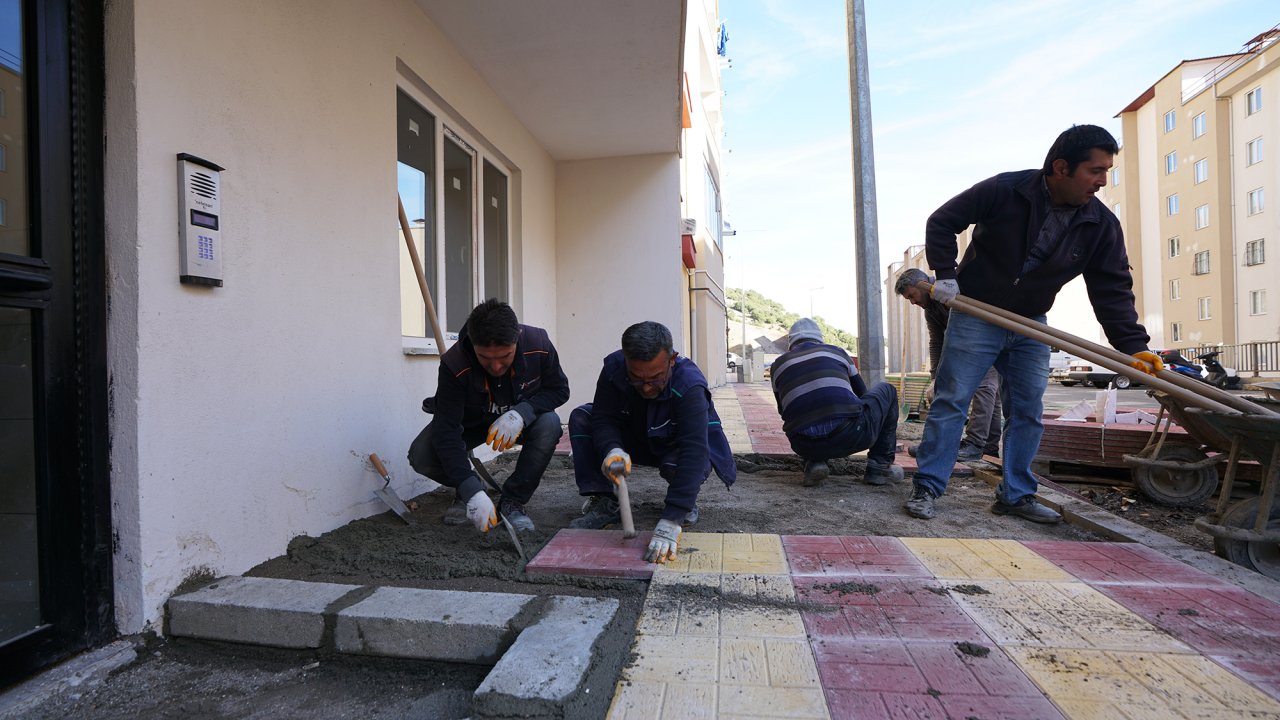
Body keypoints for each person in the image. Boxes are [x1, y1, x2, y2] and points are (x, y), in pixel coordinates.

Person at [904, 124, 1164, 524]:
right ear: (1061, 167)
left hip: (1031, 323)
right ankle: (928, 488)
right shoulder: (1006, 190)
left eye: (1107, 170)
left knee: (1027, 410)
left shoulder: (1100, 224)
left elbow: (1112, 289)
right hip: (977, 313)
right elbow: (943, 220)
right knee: (952, 401)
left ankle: (1015, 495)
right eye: (1095, 170)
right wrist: (946, 272)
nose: (1102, 180)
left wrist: (1133, 346)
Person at [567, 321, 736, 564]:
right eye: (637, 378)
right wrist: (612, 448)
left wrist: (672, 519)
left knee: (680, 466)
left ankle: (684, 503)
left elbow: (694, 450)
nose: (646, 387)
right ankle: (605, 501)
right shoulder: (614, 369)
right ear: (626, 361)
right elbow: (604, 417)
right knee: (582, 418)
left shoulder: (689, 386)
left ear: (672, 360)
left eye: (656, 378)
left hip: (673, 444)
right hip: (637, 436)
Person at [408, 298, 569, 534]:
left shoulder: (539, 344)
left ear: (517, 341)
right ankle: (472, 489)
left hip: (521, 421)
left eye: (505, 356)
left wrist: (522, 413)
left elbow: (559, 390)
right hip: (472, 423)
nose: (495, 366)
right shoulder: (454, 363)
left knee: (550, 424)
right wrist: (469, 487)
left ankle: (512, 502)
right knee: (421, 455)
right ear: (473, 345)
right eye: (485, 358)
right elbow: (447, 430)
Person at [770, 318, 903, 487]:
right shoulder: (837, 352)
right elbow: (863, 395)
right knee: (888, 391)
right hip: (850, 437)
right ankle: (879, 467)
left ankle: (815, 463)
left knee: (805, 415)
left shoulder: (777, 365)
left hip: (803, 445)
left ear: (791, 343)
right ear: (819, 339)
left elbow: (783, 411)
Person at [894, 268, 1002, 460]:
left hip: (989, 340)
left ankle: (973, 444)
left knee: (984, 388)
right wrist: (935, 377)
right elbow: (936, 341)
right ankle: (989, 448)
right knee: (990, 395)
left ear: (924, 284)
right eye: (908, 299)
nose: (913, 302)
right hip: (972, 345)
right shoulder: (930, 310)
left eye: (912, 295)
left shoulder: (951, 291)